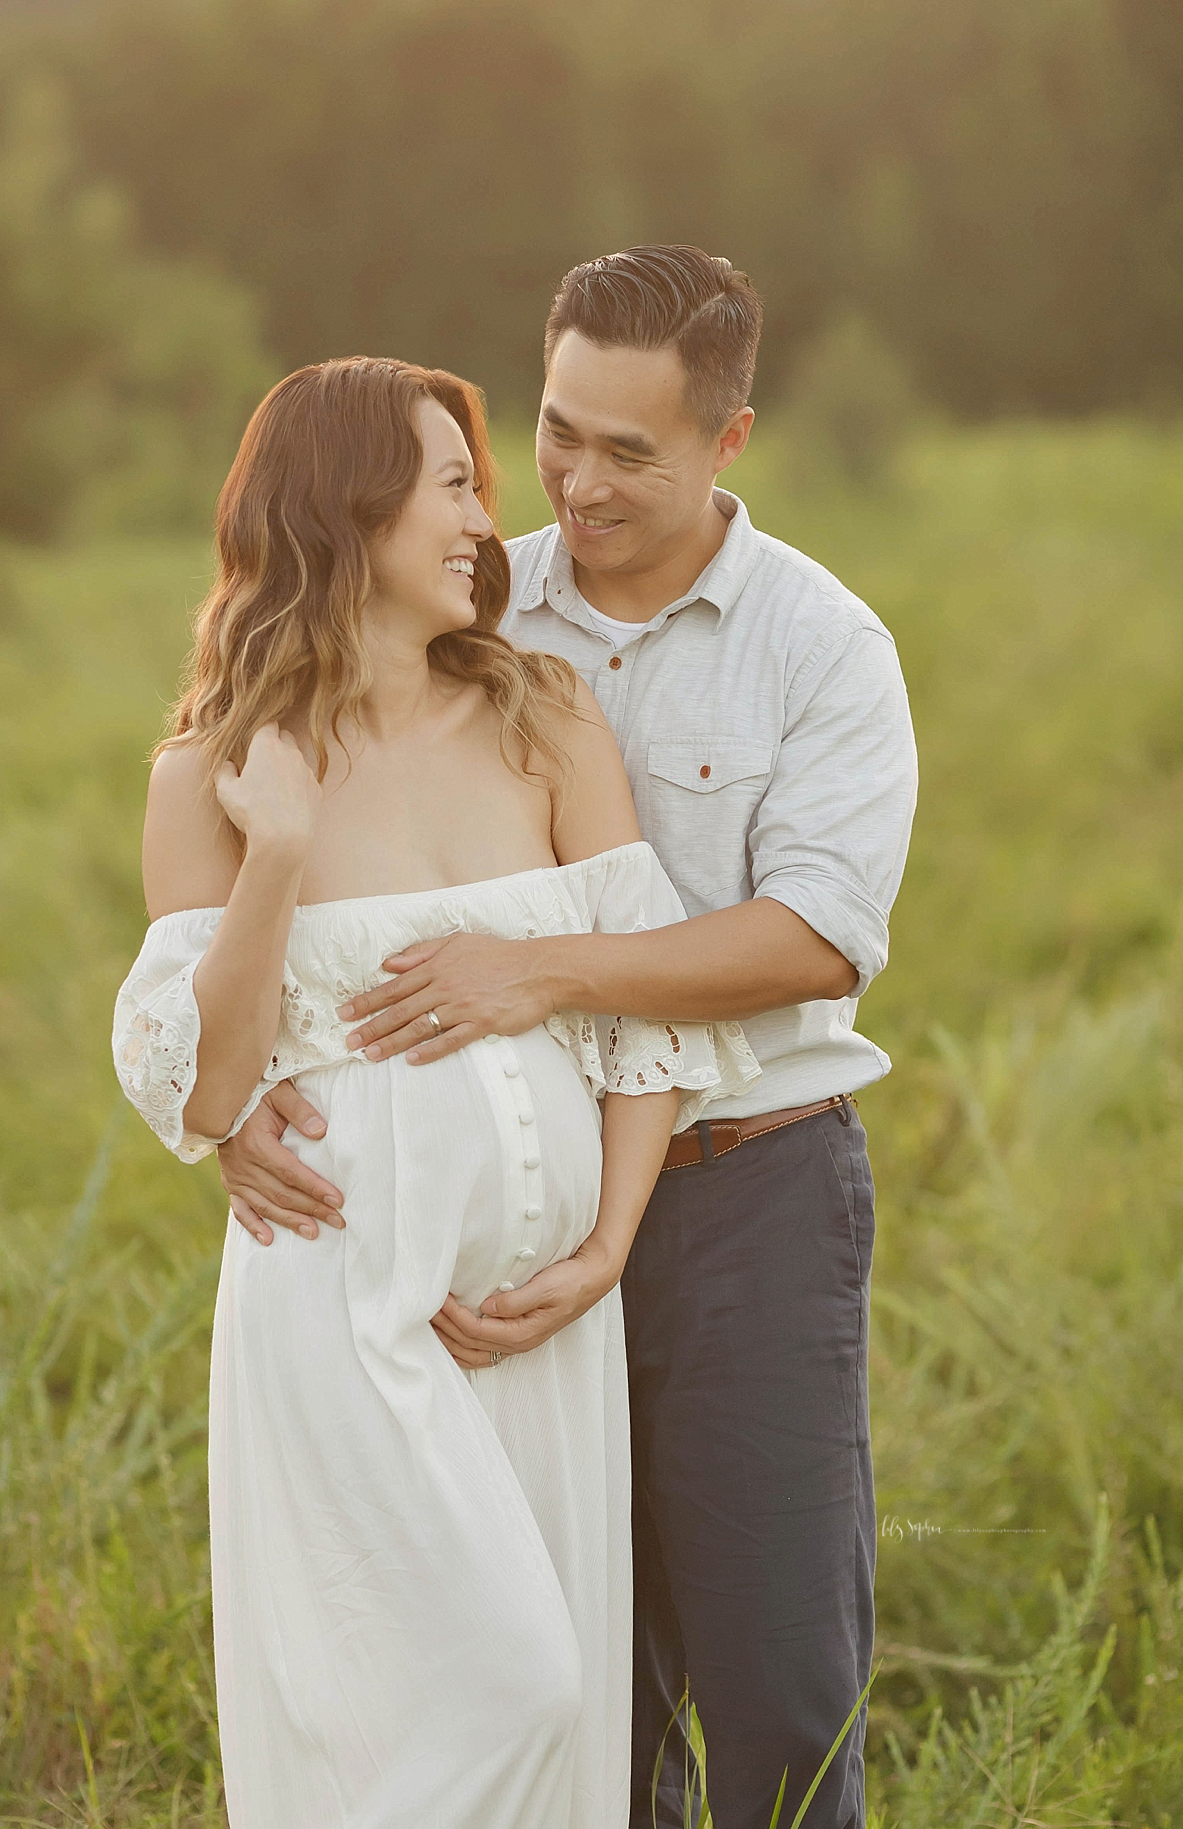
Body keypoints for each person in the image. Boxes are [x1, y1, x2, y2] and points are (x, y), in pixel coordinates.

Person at [217, 252, 919, 1829]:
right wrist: (239, 1111)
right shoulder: (456, 583)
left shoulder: (822, 645)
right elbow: (282, 878)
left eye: (630, 451)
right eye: (554, 432)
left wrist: (541, 974)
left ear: (729, 438)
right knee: (578, 1688)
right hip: (478, 1227)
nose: (573, 484)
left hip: (746, 1199)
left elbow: (815, 935)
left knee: (777, 1684)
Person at [112, 355, 762, 1829]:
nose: (491, 517)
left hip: (535, 1321)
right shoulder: (212, 771)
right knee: (503, 1686)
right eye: (455, 481)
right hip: (346, 1302)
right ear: (351, 507)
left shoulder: (544, 715)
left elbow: (635, 1011)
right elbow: (208, 1087)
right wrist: (276, 850)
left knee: (564, 1726)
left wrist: (604, 1247)